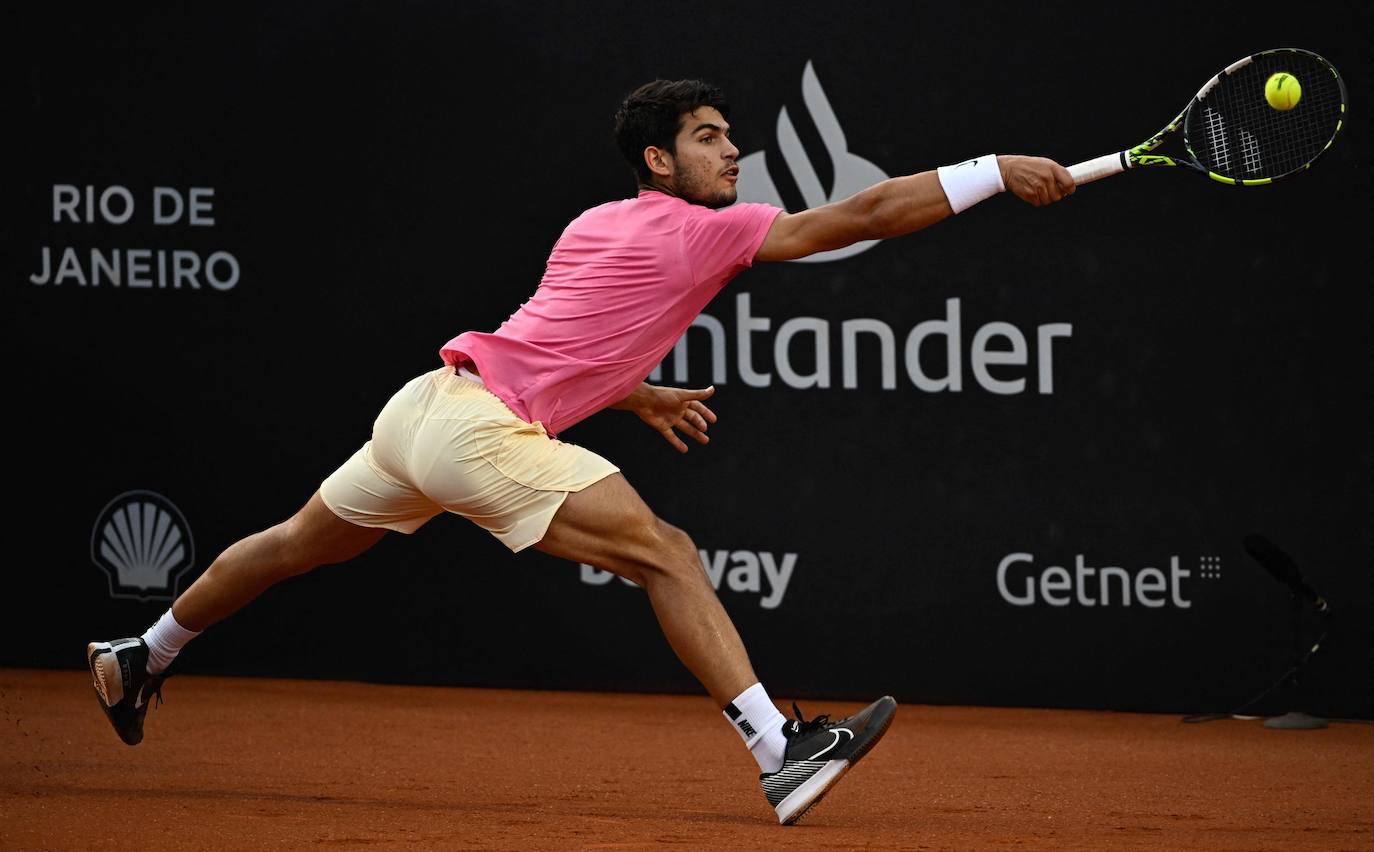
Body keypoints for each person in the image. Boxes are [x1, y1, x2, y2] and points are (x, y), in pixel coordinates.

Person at [87, 78, 1074, 825]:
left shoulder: (597, 222)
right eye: (708, 139)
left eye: (730, 136)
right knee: (667, 551)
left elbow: (563, 334)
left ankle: (144, 651)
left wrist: (633, 393)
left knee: (299, 541)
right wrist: (993, 170)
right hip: (477, 429)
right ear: (658, 160)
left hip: (425, 408)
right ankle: (784, 750)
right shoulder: (698, 232)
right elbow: (852, 219)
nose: (734, 152)